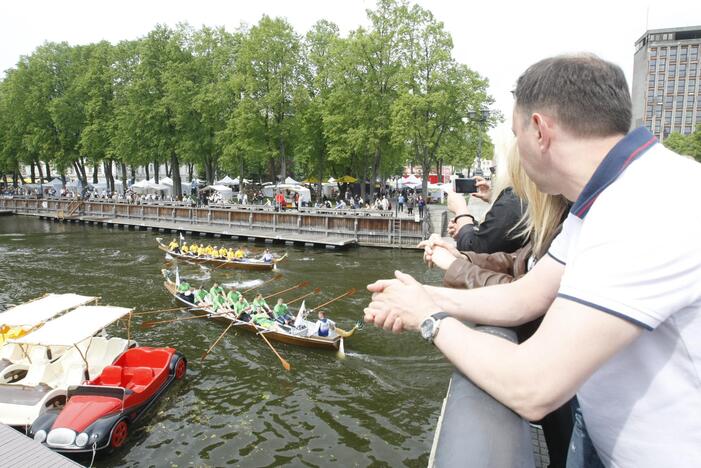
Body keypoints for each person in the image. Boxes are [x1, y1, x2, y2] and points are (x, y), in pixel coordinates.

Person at [363, 54, 701, 467]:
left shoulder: (646, 207)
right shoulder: (604, 197)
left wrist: (430, 321)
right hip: (601, 439)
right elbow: (527, 297)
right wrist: (422, 296)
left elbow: (533, 386)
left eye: (514, 132)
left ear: (539, 130)